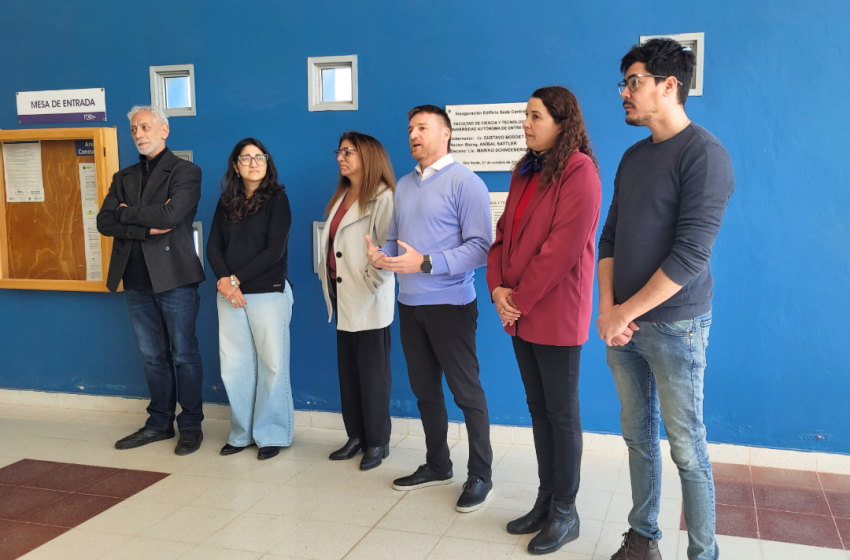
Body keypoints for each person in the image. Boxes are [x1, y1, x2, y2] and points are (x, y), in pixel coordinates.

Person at [597, 39, 735, 560]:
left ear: (669, 85)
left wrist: (621, 313)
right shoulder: (634, 157)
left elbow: (690, 254)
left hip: (676, 327)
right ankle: (642, 539)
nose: (625, 94)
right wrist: (608, 310)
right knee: (637, 439)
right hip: (624, 327)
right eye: (624, 84)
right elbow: (609, 238)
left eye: (634, 83)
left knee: (687, 449)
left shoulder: (705, 155)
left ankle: (703, 553)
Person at [486, 86, 601, 555]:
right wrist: (497, 288)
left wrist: (518, 299)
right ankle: (546, 500)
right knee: (538, 409)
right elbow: (501, 236)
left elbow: (561, 249)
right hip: (519, 311)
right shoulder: (525, 169)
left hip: (553, 311)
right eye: (526, 115)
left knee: (561, 413)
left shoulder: (580, 171)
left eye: (535, 116)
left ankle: (565, 513)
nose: (526, 124)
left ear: (561, 121)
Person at [366, 104, 494, 512]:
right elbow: (394, 240)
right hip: (409, 305)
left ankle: (481, 475)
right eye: (410, 129)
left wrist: (425, 263)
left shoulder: (466, 183)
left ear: (445, 133)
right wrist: (381, 256)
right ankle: (438, 464)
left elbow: (481, 249)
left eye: (422, 127)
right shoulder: (404, 185)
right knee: (425, 392)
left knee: (466, 393)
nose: (413, 135)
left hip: (451, 306)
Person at [97, 105, 206, 456]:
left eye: (145, 127)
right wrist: (145, 226)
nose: (138, 134)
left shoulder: (186, 171)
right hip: (135, 279)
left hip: (175, 277)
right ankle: (159, 423)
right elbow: (104, 222)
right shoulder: (123, 177)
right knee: (152, 357)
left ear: (164, 130)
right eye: (133, 129)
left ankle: (190, 425)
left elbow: (172, 215)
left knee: (184, 355)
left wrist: (126, 214)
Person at [206, 138, 294, 461]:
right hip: (230, 294)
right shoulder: (226, 201)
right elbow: (213, 245)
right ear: (235, 165)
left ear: (267, 162)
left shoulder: (278, 199)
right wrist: (225, 282)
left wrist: (234, 280)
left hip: (268, 292)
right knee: (235, 366)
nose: (254, 163)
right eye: (246, 158)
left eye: (260, 157)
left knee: (272, 364)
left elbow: (274, 250)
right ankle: (241, 434)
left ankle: (271, 433)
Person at [320, 131, 396, 471]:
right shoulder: (343, 195)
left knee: (373, 375)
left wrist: (369, 283)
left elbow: (388, 249)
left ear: (368, 156)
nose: (341, 157)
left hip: (367, 299)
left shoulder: (383, 197)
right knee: (348, 372)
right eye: (339, 151)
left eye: (348, 152)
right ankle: (356, 436)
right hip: (342, 295)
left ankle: (378, 442)